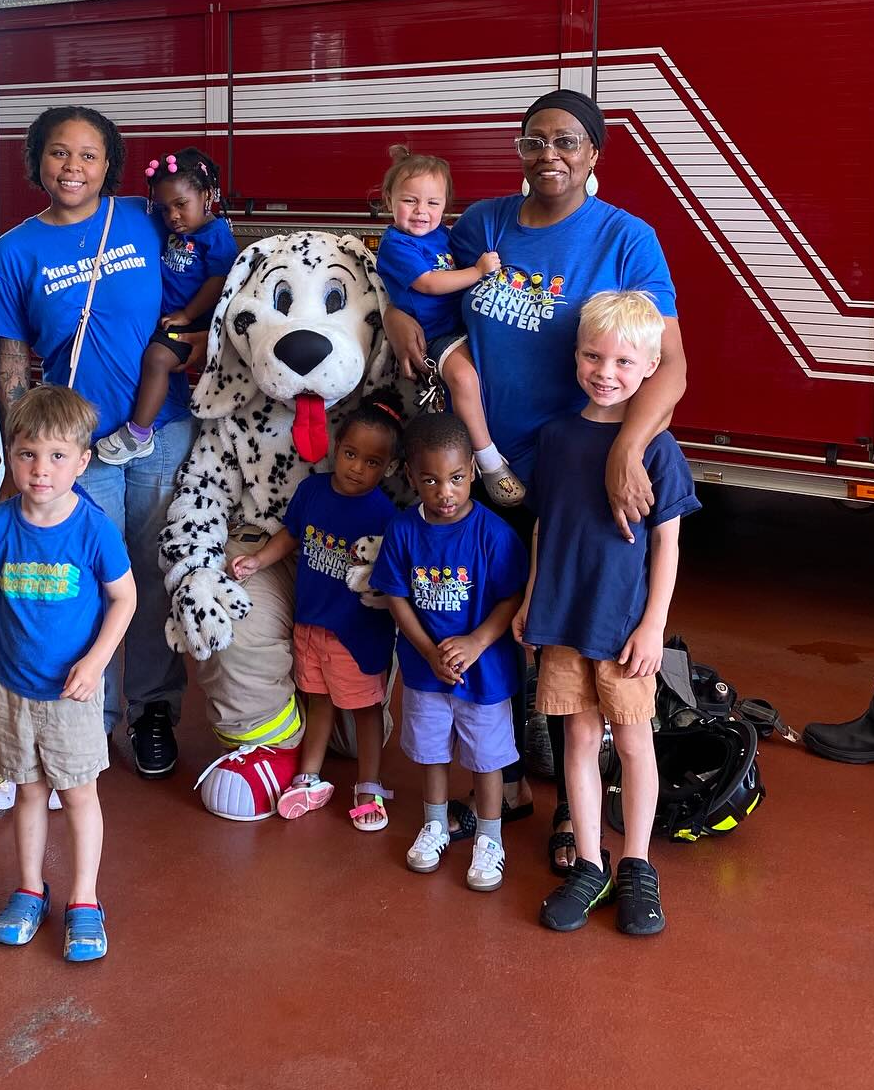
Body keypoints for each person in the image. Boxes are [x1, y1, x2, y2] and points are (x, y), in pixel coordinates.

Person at [381, 88, 687, 875]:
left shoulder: (626, 237)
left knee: (563, 629)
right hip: (487, 467)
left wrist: (626, 450)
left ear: (595, 155)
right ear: (518, 149)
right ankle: (505, 778)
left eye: (568, 142)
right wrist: (397, 317)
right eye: (534, 141)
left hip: (578, 465)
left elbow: (670, 362)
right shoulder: (482, 225)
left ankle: (564, 812)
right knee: (497, 620)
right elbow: (423, 288)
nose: (549, 155)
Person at [0, 105, 194, 787]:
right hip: (72, 448)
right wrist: (16, 455)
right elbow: (9, 363)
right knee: (83, 584)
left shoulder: (140, 219)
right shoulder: (13, 252)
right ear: (37, 160)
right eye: (59, 153)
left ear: (109, 166)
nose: (73, 167)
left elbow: (200, 254)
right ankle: (85, 715)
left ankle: (154, 709)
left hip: (161, 428)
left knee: (153, 576)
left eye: (89, 155)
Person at [515, 291, 699, 934]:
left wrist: (653, 626)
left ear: (651, 366)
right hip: (563, 620)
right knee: (580, 739)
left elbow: (667, 543)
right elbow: (544, 527)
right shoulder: (557, 439)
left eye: (624, 360)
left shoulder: (658, 449)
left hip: (622, 630)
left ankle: (637, 864)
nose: (606, 371)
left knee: (635, 744)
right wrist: (534, 598)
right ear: (575, 357)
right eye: (594, 355)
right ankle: (590, 863)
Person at [0, 386, 136, 963]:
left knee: (79, 796)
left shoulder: (94, 528)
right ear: (10, 455)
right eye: (28, 454)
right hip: (12, 688)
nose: (41, 470)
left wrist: (96, 660)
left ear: (82, 462)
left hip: (71, 694)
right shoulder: (0, 523)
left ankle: (84, 900)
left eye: (58, 456)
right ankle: (30, 889)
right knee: (28, 792)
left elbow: (124, 599)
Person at [369, 413, 528, 893]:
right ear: (411, 477)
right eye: (431, 480)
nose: (445, 493)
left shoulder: (494, 533)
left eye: (457, 479)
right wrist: (427, 650)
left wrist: (477, 643)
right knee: (431, 751)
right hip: (424, 673)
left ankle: (489, 837)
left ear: (473, 474)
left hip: (484, 676)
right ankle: (435, 825)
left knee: (486, 758)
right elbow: (394, 593)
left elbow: (513, 596)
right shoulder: (402, 531)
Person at [230, 390, 403, 830]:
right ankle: (309, 776)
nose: (357, 469)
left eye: (372, 462)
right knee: (317, 700)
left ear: (389, 468)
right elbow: (290, 535)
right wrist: (258, 560)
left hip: (356, 634)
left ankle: (369, 785)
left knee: (365, 709)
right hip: (310, 625)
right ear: (335, 445)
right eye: (350, 454)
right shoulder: (311, 491)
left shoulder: (385, 516)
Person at [375, 147, 523, 506]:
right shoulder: (397, 244)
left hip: (460, 326)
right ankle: (488, 461)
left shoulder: (440, 235)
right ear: (388, 200)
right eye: (410, 201)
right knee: (464, 378)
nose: (422, 212)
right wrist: (477, 272)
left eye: (433, 203)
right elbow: (428, 283)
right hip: (436, 334)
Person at [95, 146, 237, 466]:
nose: (172, 216)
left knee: (158, 359)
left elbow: (218, 282)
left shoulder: (216, 236)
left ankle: (139, 433)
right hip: (171, 319)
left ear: (206, 195)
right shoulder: (177, 231)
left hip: (193, 324)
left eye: (181, 205)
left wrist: (187, 314)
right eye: (164, 209)